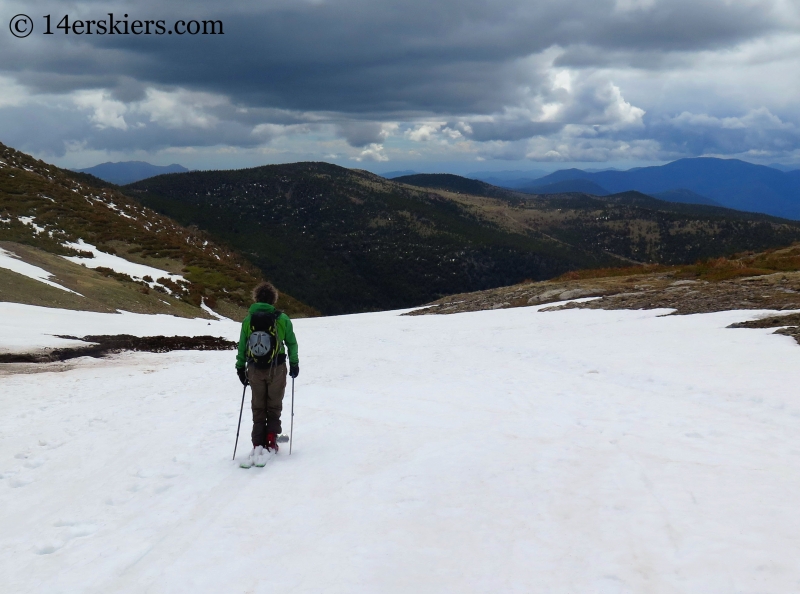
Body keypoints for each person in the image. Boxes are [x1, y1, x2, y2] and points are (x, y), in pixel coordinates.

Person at [235, 281, 299, 462]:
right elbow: (291, 343)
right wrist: (294, 363)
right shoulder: (282, 319)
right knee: (273, 405)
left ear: (256, 298)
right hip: (277, 368)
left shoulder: (248, 320)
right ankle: (271, 439)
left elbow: (242, 346)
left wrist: (240, 368)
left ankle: (257, 443)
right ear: (273, 299)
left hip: (254, 369)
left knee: (258, 406)